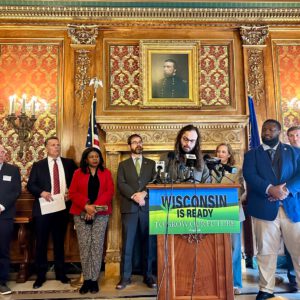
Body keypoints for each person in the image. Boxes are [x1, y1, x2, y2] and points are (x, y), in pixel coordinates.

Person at [243, 119, 300, 300]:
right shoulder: (252, 155)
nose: (267, 131)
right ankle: (266, 289)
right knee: (266, 251)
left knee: (299, 249)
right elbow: (250, 175)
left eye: (271, 129)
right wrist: (270, 189)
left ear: (279, 132)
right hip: (264, 208)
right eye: (264, 129)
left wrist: (286, 190)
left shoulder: (294, 151)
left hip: (292, 207)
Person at [27, 136, 77, 289]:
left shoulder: (69, 164)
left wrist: (71, 193)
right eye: (53, 145)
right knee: (41, 242)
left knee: (59, 242)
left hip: (62, 208)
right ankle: (40, 276)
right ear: (46, 148)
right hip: (44, 209)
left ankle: (61, 273)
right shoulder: (38, 165)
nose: (56, 147)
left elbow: (77, 182)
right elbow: (31, 185)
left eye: (58, 145)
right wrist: (42, 192)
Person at [69, 147, 114, 294]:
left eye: (97, 156)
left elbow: (109, 191)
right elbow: (73, 193)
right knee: (85, 246)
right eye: (91, 156)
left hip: (101, 214)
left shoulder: (106, 173)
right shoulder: (77, 173)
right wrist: (86, 206)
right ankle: (86, 279)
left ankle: (94, 280)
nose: (95, 159)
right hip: (81, 213)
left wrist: (93, 208)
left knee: (96, 245)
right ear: (86, 159)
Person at [116, 134, 156, 290]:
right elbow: (121, 183)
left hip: (147, 208)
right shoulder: (123, 165)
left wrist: (144, 194)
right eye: (134, 142)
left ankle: (149, 276)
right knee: (128, 244)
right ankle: (125, 278)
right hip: (130, 209)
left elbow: (155, 181)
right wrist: (134, 195)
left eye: (140, 142)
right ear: (129, 146)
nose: (138, 144)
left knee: (149, 244)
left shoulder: (151, 164)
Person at [213, 143, 245, 295]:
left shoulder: (237, 170)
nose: (220, 154)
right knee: (215, 248)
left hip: (233, 211)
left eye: (223, 152)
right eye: (218, 151)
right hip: (214, 213)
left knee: (234, 248)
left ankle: (235, 283)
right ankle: (217, 281)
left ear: (229, 155)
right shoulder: (210, 169)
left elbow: (241, 190)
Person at [0, 144, 21, 295]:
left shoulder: (12, 170)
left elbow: (16, 191)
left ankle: (2, 282)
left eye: (3, 151)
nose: (2, 153)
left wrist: (1, 206)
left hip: (4, 215)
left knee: (3, 250)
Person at [284, 125, 300, 290]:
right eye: (291, 136)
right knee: (292, 244)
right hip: (293, 204)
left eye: (297, 135)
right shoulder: (286, 157)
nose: (294, 138)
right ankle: (293, 279)